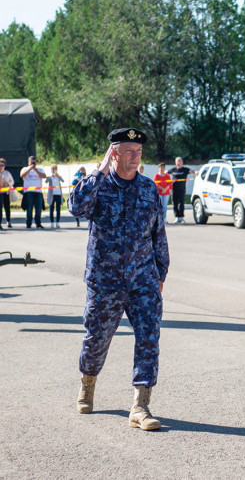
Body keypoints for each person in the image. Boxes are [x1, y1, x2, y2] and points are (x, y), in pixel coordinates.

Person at [69, 128, 169, 431]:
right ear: (114, 152)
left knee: (149, 338)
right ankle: (88, 383)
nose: (135, 155)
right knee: (96, 339)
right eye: (128, 149)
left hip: (143, 280)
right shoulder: (98, 185)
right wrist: (99, 171)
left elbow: (158, 233)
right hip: (105, 281)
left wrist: (160, 272)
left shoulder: (149, 188)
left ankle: (141, 405)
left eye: (138, 150)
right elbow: (76, 207)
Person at [168, 157, 196, 223]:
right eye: (177, 161)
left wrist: (196, 172)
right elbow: (165, 173)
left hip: (181, 189)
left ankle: (181, 217)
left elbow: (192, 171)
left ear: (182, 162)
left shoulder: (185, 169)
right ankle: (177, 217)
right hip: (173, 190)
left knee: (181, 203)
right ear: (175, 162)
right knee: (174, 203)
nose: (178, 162)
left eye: (180, 161)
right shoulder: (173, 170)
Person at [21, 155, 46, 229]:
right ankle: (28, 223)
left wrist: (35, 170)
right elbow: (22, 175)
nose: (33, 164)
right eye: (32, 162)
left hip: (38, 192)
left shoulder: (40, 169)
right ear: (28, 162)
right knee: (29, 208)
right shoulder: (25, 169)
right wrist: (30, 169)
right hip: (29, 192)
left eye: (34, 163)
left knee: (38, 209)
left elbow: (43, 176)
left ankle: (38, 223)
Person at [45, 164, 65, 228]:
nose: (54, 170)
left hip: (58, 194)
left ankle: (57, 222)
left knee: (58, 209)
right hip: (52, 195)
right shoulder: (49, 177)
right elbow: (46, 181)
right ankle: (51, 222)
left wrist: (58, 176)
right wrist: (51, 176)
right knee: (51, 208)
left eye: (55, 169)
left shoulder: (58, 177)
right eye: (53, 169)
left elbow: (63, 180)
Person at [0, 158, 15, 229]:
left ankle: (8, 221)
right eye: (0, 165)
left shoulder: (7, 173)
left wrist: (8, 184)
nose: (1, 166)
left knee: (7, 207)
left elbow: (12, 181)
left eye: (2, 165)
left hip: (6, 193)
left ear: (4, 165)